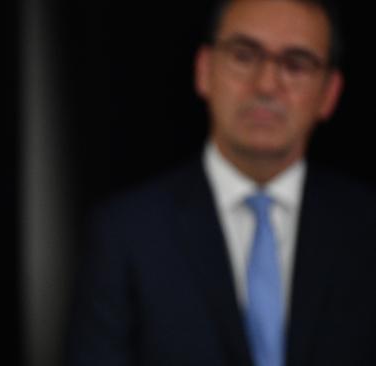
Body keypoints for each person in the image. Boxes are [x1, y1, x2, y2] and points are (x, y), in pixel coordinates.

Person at [67, 1, 376, 365]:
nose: (266, 84)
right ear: (204, 69)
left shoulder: (367, 228)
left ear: (329, 93)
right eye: (244, 56)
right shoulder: (126, 233)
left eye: (296, 64)